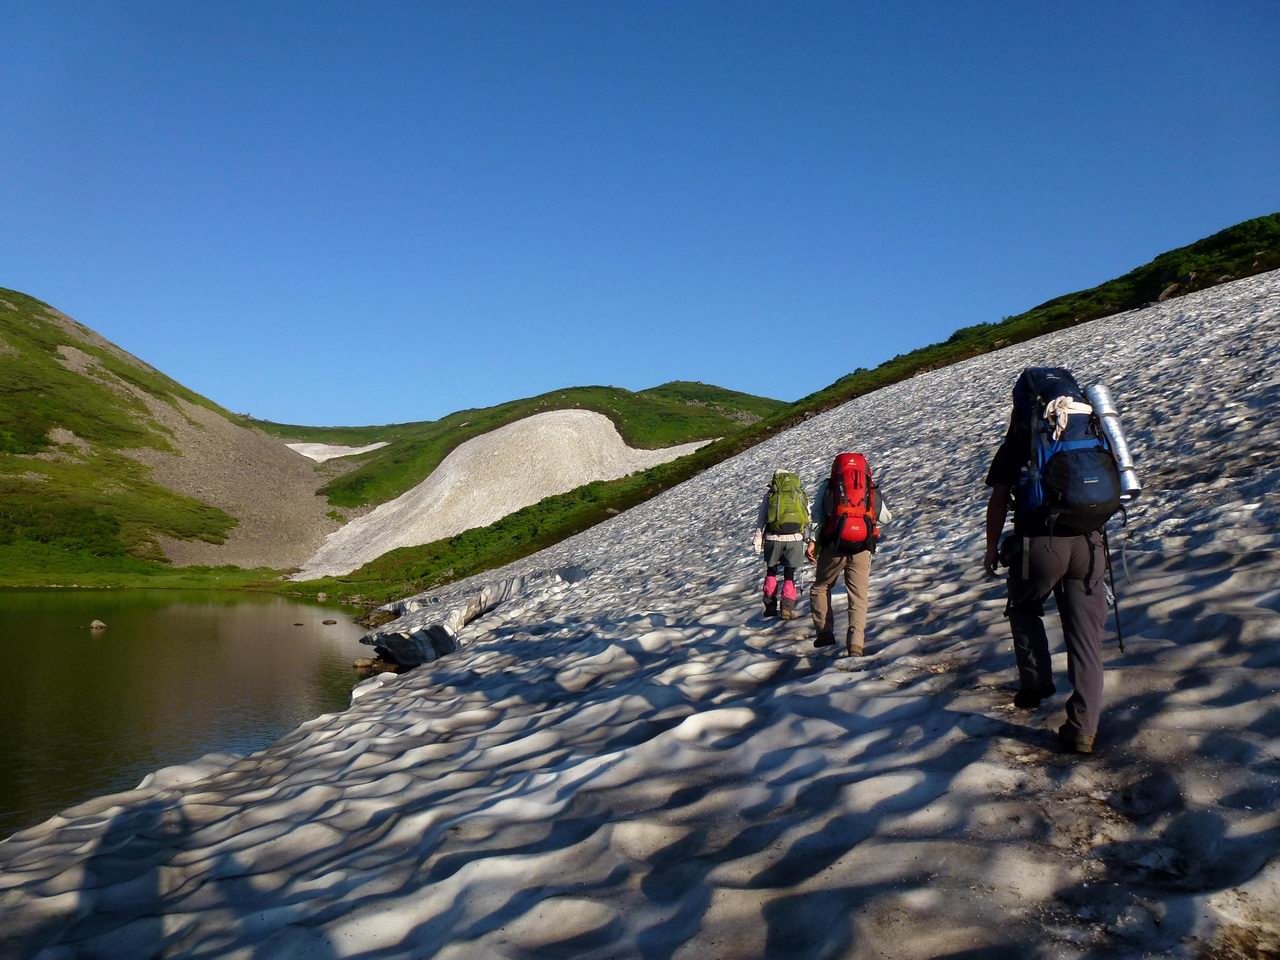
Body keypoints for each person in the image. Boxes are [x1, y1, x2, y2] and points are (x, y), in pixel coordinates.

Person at [983, 368, 1116, 755]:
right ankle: (1083, 728)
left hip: (1040, 542)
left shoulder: (1023, 437)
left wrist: (992, 548)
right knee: (1086, 637)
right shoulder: (1092, 427)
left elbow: (998, 499)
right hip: (1090, 542)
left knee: (1023, 607)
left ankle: (1037, 681)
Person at [807, 452, 892, 655]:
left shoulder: (828, 486)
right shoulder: (869, 487)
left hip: (833, 546)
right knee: (858, 596)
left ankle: (825, 633)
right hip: (862, 547)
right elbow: (886, 517)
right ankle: (856, 644)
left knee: (821, 587)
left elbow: (818, 516)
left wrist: (812, 543)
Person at [753, 470, 810, 619]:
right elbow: (807, 516)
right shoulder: (799, 493)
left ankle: (770, 606)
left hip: (773, 538)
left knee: (771, 571)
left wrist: (758, 539)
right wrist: (807, 537)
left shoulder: (771, 494)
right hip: (795, 538)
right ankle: (787, 607)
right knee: (789, 575)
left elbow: (762, 518)